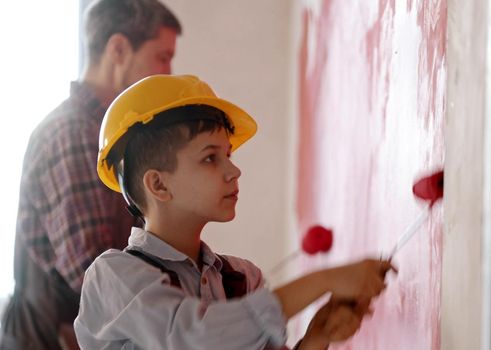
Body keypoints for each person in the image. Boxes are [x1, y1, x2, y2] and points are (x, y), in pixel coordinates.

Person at [74, 74, 395, 349]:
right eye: (211, 158)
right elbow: (194, 338)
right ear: (158, 185)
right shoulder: (113, 277)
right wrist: (323, 280)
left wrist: (317, 336)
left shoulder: (241, 278)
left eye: (229, 155)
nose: (234, 171)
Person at [0, 1, 182, 349]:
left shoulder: (104, 136)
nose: (167, 72)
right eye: (162, 56)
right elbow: (94, 277)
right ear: (118, 49)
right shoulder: (73, 135)